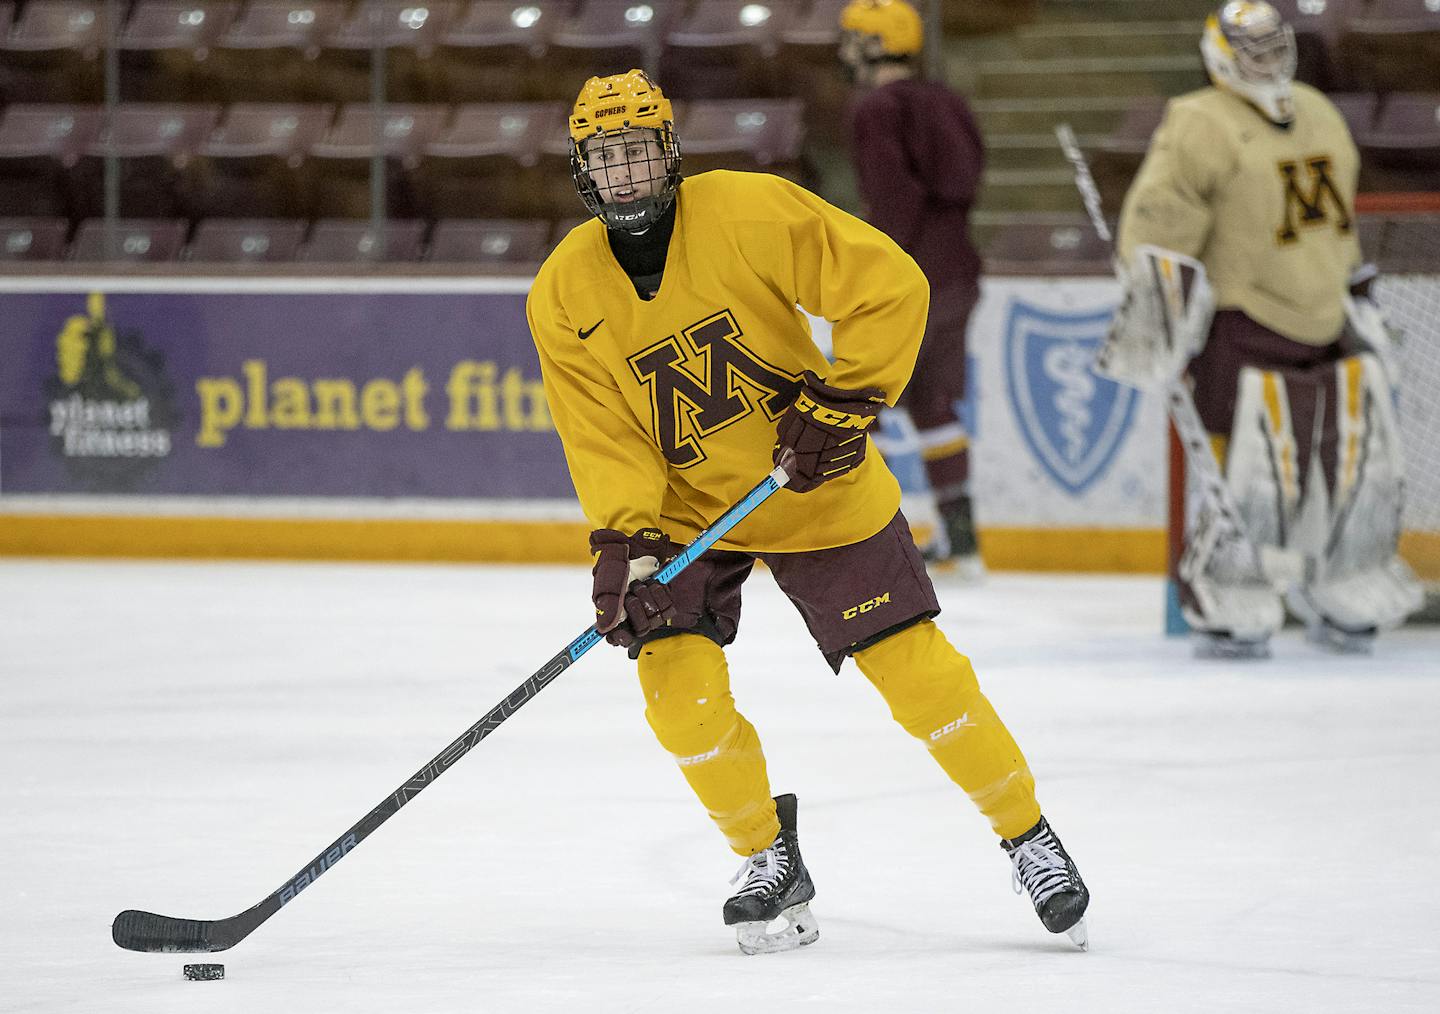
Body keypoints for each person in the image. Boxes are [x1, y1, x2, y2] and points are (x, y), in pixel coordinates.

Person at [526, 68, 1089, 955]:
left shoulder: (750, 211)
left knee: (919, 677)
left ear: (668, 154)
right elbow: (602, 434)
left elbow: (891, 286)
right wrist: (627, 543)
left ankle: (1029, 836)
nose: (624, 175)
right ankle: (766, 856)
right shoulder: (561, 291)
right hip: (686, 510)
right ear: (581, 171)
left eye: (638, 154)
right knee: (677, 696)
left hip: (811, 483)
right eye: (606, 159)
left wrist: (847, 399)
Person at [1103, 1, 1421, 657]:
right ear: (1221, 54)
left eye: (1276, 48)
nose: (1269, 64)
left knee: (1348, 462)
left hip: (1328, 318)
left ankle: (1346, 575)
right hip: (1243, 324)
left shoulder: (1320, 111)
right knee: (1251, 469)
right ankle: (1232, 585)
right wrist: (1154, 305)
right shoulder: (1199, 122)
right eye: (1254, 52)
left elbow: (1339, 223)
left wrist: (1357, 288)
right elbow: (1159, 222)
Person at [838, 0, 986, 574]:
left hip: (908, 282)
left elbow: (893, 199)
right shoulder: (947, 99)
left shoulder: (879, 107)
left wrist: (867, 275)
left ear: (874, 45)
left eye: (855, 40)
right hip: (958, 273)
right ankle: (962, 537)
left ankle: (857, 541)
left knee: (854, 404)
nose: (846, 51)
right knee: (934, 404)